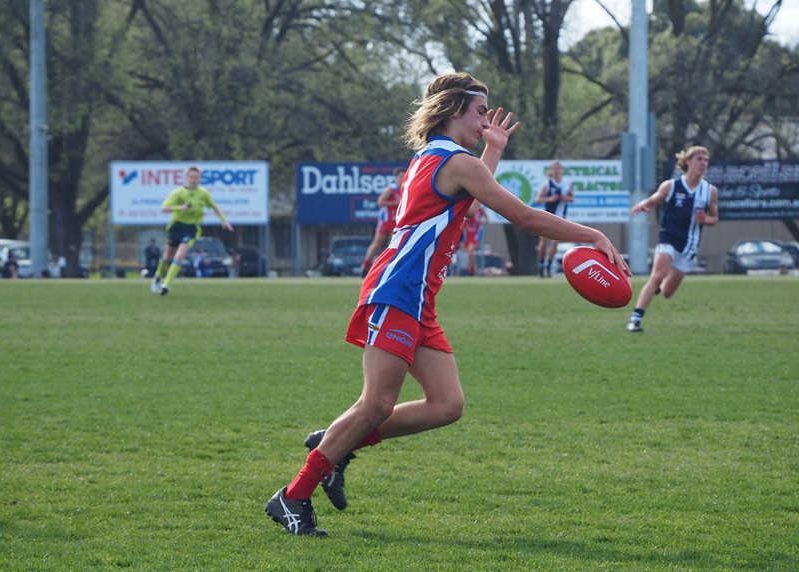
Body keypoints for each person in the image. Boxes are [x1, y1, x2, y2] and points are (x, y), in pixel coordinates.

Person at [265, 72, 629, 536]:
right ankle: (293, 495)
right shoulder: (456, 162)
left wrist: (492, 150)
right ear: (455, 110)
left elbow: (472, 205)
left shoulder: (435, 157)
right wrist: (594, 234)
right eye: (480, 112)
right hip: (400, 290)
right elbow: (520, 215)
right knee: (376, 403)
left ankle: (337, 445)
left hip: (419, 297)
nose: (484, 121)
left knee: (447, 404)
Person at [626, 145, 718, 332]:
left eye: (706, 160)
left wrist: (705, 219)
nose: (703, 163)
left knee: (667, 292)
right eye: (699, 159)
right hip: (668, 238)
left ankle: (656, 288)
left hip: (690, 245)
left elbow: (714, 218)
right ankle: (635, 319)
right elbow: (654, 199)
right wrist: (643, 205)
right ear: (688, 162)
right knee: (657, 276)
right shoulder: (671, 185)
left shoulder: (710, 191)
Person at [149, 166, 234, 295]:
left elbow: (214, 206)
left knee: (179, 256)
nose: (194, 180)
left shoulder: (203, 193)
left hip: (191, 229)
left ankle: (166, 284)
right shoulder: (178, 193)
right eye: (192, 177)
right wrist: (180, 207)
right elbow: (164, 208)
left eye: (197, 177)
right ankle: (157, 277)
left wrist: (224, 220)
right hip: (177, 227)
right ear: (186, 178)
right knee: (167, 256)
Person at [361, 167, 405, 276]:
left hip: (397, 221)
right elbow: (380, 202)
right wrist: (396, 203)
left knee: (396, 244)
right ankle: (365, 266)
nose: (402, 178)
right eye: (400, 176)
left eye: (404, 176)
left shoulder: (405, 189)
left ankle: (391, 267)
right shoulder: (390, 189)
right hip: (386, 220)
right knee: (377, 243)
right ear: (396, 177)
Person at [534, 160, 574, 277]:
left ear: (562, 170)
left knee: (555, 243)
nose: (557, 171)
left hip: (561, 216)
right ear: (552, 170)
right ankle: (541, 265)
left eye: (558, 168)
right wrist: (550, 199)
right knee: (543, 243)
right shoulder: (547, 184)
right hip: (548, 216)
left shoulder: (567, 183)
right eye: (554, 169)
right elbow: (538, 199)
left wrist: (565, 197)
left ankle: (549, 266)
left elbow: (572, 198)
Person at [460, 204, 489, 275]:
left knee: (470, 251)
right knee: (468, 253)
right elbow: (463, 223)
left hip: (475, 235)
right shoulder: (468, 209)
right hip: (467, 236)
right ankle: (473, 267)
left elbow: (486, 219)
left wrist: (483, 220)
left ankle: (471, 270)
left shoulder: (480, 210)